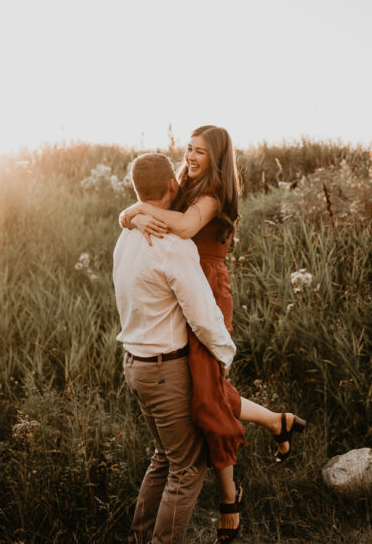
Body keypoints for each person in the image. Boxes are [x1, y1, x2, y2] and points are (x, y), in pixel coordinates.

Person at [120, 125, 306, 543]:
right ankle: (278, 424)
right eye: (187, 149)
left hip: (205, 289)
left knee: (207, 395)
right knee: (209, 395)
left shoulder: (213, 193)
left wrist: (135, 212)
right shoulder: (184, 183)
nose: (190, 156)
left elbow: (184, 227)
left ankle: (229, 501)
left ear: (217, 156)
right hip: (183, 287)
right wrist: (131, 212)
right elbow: (159, 205)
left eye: (200, 151)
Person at [113, 151, 239, 544]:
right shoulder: (171, 243)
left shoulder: (127, 235)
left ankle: (139, 538)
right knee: (186, 469)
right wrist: (225, 351)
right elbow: (201, 312)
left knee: (165, 459)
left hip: (135, 364)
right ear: (172, 186)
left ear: (137, 194)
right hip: (165, 370)